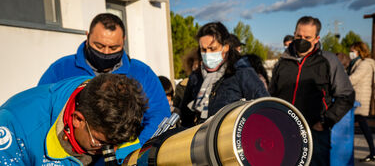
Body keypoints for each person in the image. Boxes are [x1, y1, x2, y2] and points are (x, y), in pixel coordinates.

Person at [37, 13, 171, 156]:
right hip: (71, 157)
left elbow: (160, 115)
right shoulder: (61, 69)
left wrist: (132, 150)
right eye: (99, 46)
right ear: (87, 36)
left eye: (113, 48)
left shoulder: (141, 73)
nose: (106, 52)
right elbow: (40, 112)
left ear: (123, 41)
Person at [0, 74, 147, 165]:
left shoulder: (120, 116)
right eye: (101, 143)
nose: (109, 151)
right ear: (78, 119)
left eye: (117, 144)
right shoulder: (13, 127)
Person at [269, 16, 355, 166]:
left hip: (314, 133)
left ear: (316, 39)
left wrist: (325, 121)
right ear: (294, 33)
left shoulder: (328, 61)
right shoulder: (282, 62)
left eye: (307, 37)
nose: (301, 40)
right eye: (298, 36)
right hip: (283, 130)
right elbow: (272, 95)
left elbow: (346, 95)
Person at [179, 22, 269, 127]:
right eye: (203, 49)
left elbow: (264, 106)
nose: (207, 53)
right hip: (202, 137)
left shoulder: (242, 73)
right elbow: (185, 114)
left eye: (212, 48)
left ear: (225, 47)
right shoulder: (196, 77)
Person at [347, 42, 375, 162]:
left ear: (359, 51)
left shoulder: (364, 64)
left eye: (353, 51)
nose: (351, 53)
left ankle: (372, 152)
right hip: (357, 98)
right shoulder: (359, 63)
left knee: (361, 125)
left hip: (360, 98)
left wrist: (341, 81)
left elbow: (354, 78)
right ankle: (372, 151)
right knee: (362, 126)